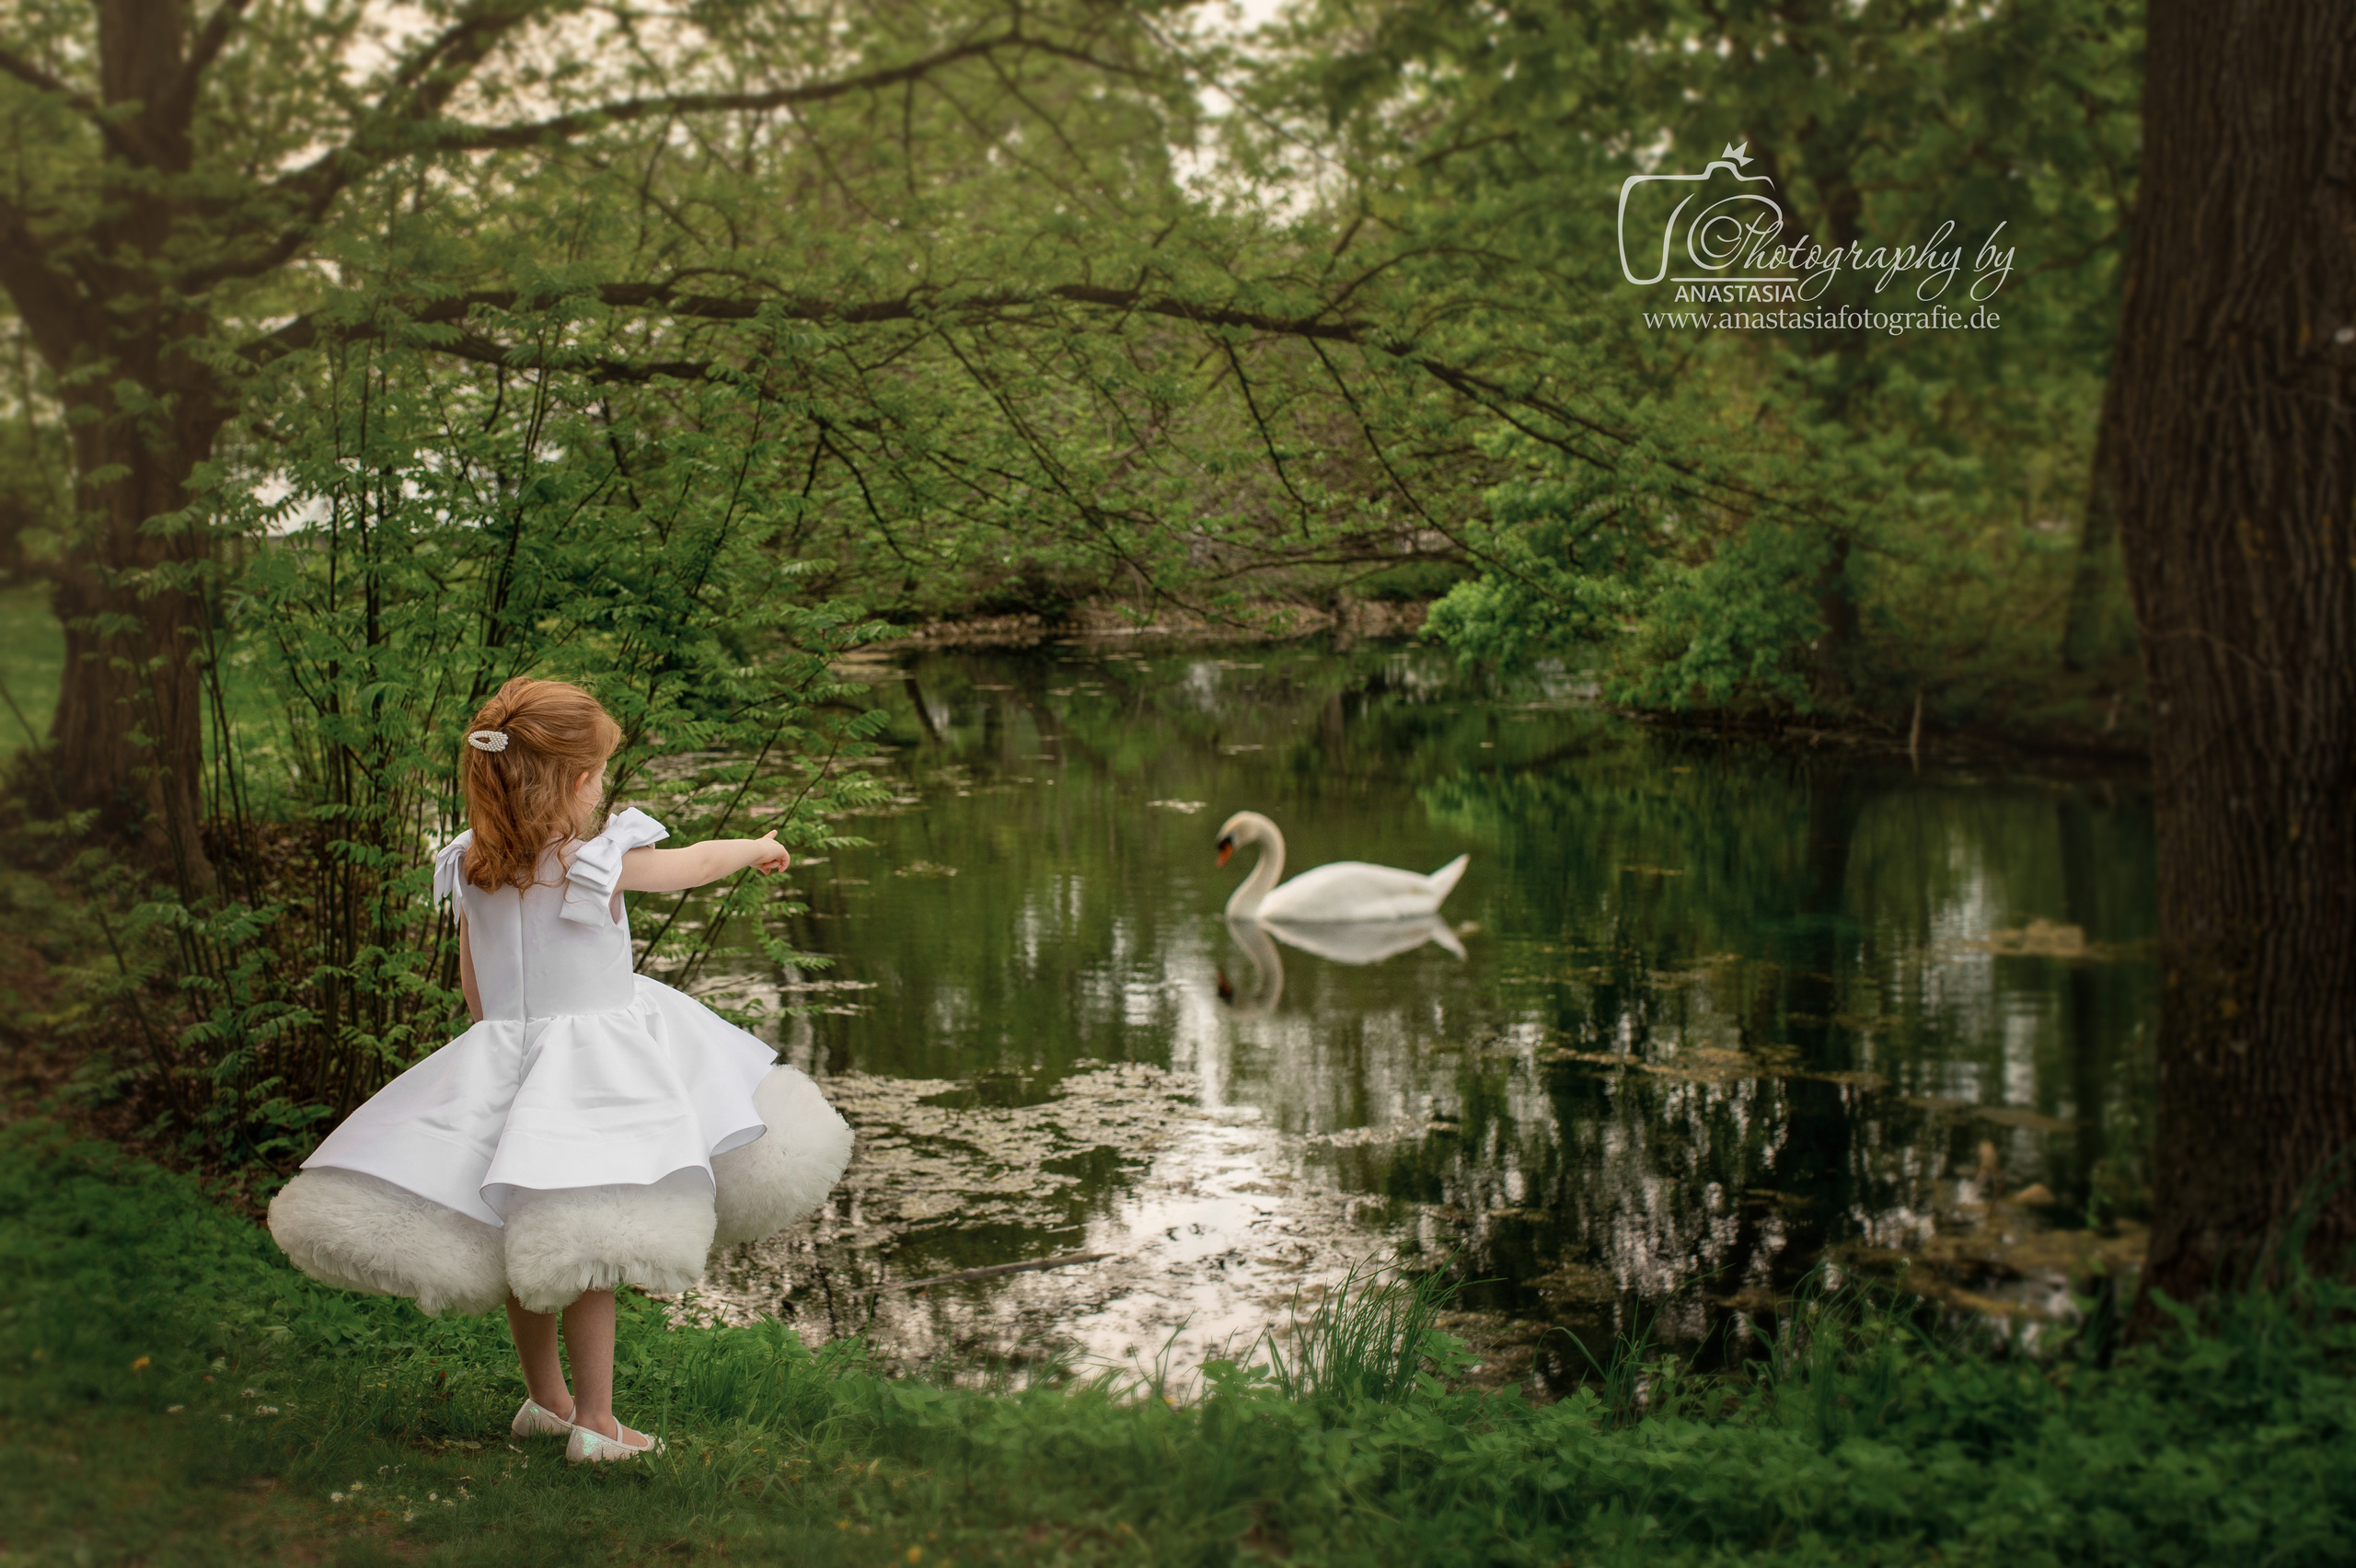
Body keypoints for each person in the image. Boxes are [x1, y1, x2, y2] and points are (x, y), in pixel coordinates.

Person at [268, 677, 854, 1462]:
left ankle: (547, 1402)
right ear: (578, 781)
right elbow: (694, 863)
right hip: (596, 1072)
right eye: (601, 773)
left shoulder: (470, 863)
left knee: (526, 1232)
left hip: (507, 1060)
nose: (604, 788)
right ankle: (600, 1425)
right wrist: (758, 848)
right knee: (592, 1247)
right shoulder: (593, 861)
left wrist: (508, 1056)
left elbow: (477, 994)